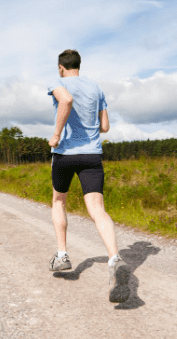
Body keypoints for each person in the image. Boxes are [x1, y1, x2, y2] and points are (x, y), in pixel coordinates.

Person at [46, 49, 121, 294]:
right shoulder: (96, 89)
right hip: (92, 155)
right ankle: (114, 259)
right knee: (97, 209)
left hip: (64, 155)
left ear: (61, 67)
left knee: (59, 201)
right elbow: (105, 126)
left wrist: (56, 135)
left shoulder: (57, 83)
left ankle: (62, 255)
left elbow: (66, 100)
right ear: (79, 65)